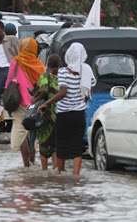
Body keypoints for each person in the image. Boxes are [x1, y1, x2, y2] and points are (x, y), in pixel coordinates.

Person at [39, 43, 96, 175]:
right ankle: (76, 175)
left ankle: (61, 172)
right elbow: (89, 90)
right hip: (79, 114)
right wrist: (82, 99)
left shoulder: (63, 71)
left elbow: (63, 92)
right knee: (77, 145)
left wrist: (46, 103)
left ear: (69, 55)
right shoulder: (87, 70)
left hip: (64, 114)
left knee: (61, 145)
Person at [4, 38, 45, 167]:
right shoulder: (39, 65)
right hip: (35, 103)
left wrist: (8, 106)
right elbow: (43, 85)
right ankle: (32, 161)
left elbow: (8, 83)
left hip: (19, 102)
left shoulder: (15, 62)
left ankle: (26, 164)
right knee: (32, 132)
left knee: (21, 132)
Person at [33, 54, 62, 170]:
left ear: (48, 65)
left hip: (46, 115)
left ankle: (44, 171)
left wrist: (35, 99)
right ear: (60, 65)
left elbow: (44, 89)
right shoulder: (62, 78)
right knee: (55, 146)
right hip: (58, 116)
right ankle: (56, 170)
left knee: (44, 145)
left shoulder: (45, 76)